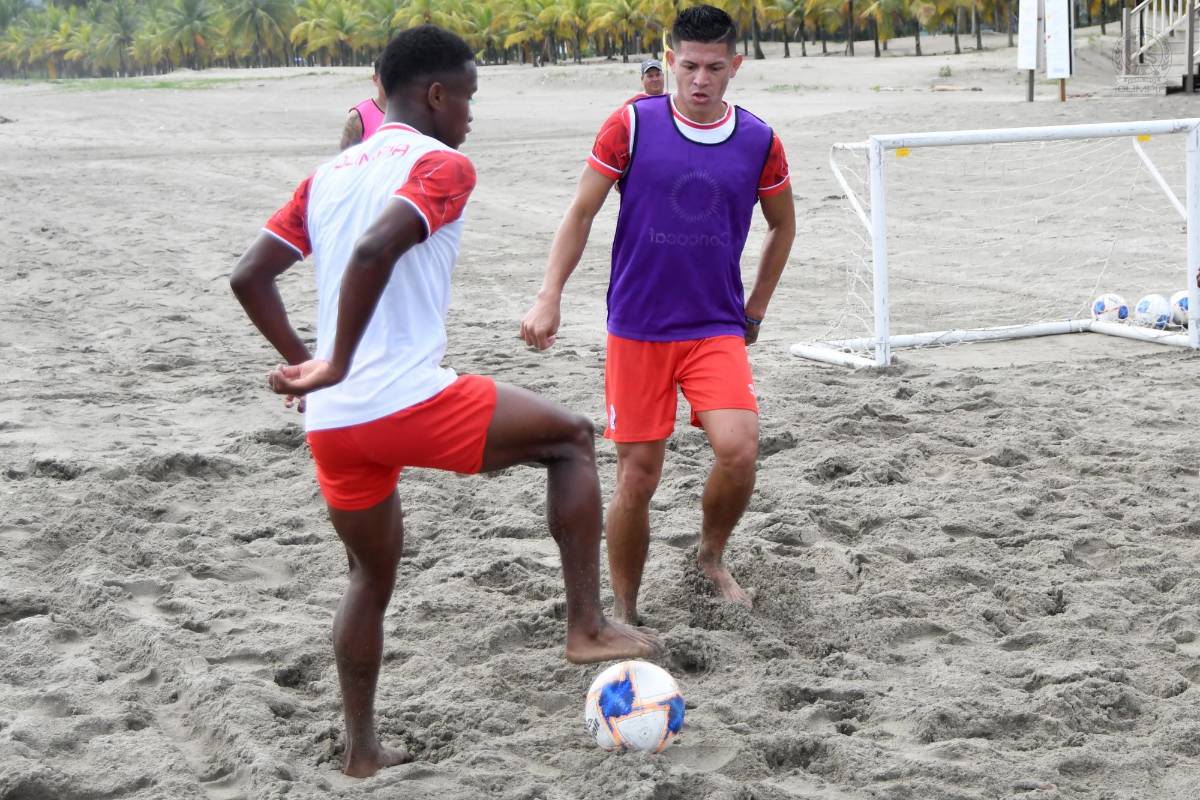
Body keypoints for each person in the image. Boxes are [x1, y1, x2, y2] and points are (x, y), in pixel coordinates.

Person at [231, 25, 661, 780]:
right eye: (468, 97)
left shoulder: (327, 176)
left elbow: (249, 277)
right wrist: (334, 361)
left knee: (368, 579)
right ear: (435, 95)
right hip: (404, 400)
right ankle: (586, 627)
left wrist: (309, 369)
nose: (470, 114)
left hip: (334, 424)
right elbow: (375, 250)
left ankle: (362, 752)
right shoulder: (443, 164)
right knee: (570, 439)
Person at [519, 5, 796, 626]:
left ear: (735, 66)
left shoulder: (758, 139)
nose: (700, 79)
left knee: (740, 450)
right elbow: (581, 213)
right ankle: (624, 608)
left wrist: (755, 307)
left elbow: (783, 225)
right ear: (670, 61)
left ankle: (710, 557)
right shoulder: (632, 125)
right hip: (638, 329)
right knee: (638, 477)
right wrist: (549, 294)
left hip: (714, 326)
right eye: (689, 65)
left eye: (714, 68)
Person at [339, 58, 386, 150]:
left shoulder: (414, 114)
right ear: (375, 79)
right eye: (387, 77)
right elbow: (346, 156)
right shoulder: (358, 117)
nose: (394, 81)